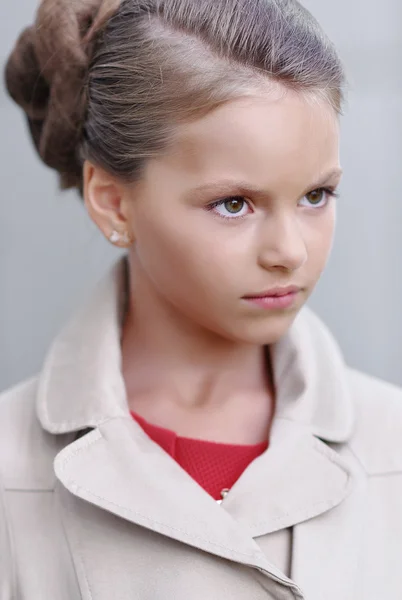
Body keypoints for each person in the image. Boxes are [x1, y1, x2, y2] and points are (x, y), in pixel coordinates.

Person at [1, 0, 402, 597]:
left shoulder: (391, 443)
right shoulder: (11, 471)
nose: (289, 250)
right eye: (233, 204)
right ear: (113, 202)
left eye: (317, 195)